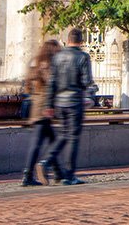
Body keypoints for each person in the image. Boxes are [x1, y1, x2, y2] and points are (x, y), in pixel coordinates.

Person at [37, 27, 96, 186]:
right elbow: (86, 82)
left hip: (59, 103)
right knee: (72, 138)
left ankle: (45, 161)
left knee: (63, 134)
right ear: (81, 41)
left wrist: (49, 104)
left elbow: (52, 83)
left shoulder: (57, 57)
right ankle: (69, 176)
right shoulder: (83, 57)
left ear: (67, 40)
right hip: (74, 102)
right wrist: (90, 94)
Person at [20, 39, 61, 187]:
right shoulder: (46, 65)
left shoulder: (35, 62)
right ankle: (28, 175)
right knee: (39, 143)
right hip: (44, 108)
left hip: (36, 106)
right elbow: (52, 84)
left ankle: (58, 173)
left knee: (52, 140)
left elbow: (27, 84)